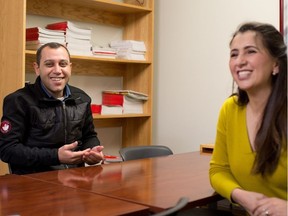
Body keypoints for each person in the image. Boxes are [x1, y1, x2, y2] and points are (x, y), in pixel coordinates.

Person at [209, 22, 287, 216]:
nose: (239, 61)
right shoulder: (230, 109)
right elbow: (218, 170)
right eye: (234, 54)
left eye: (250, 51)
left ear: (275, 64)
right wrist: (240, 195)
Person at [0, 42, 104, 175]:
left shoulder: (82, 99)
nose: (57, 70)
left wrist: (92, 150)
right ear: (37, 68)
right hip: (34, 184)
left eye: (63, 64)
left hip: (76, 179)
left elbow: (89, 135)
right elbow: (7, 149)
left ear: (70, 67)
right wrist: (56, 156)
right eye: (49, 64)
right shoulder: (18, 101)